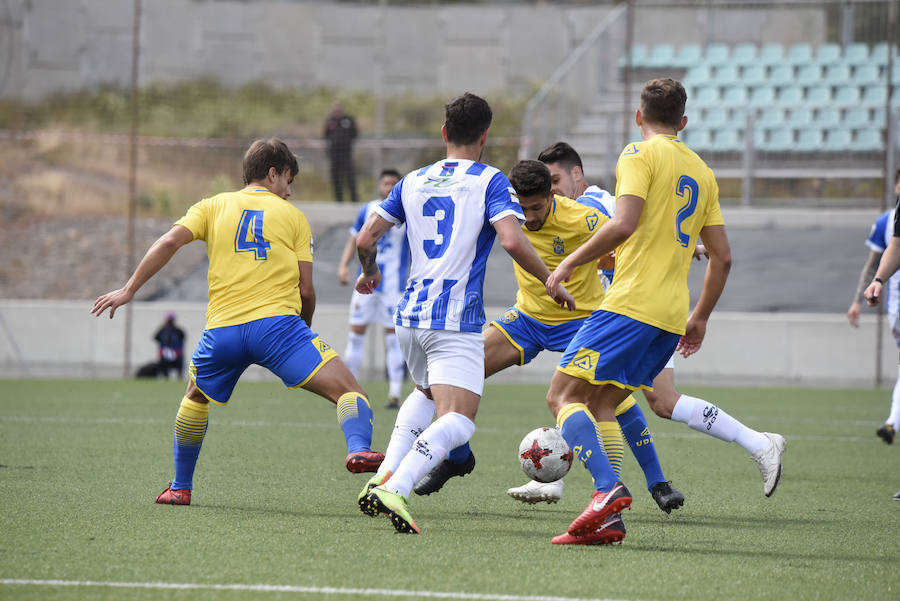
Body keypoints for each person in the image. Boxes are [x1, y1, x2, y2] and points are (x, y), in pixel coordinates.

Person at [543, 78, 782, 545]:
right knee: (602, 402)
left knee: (561, 396)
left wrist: (571, 261)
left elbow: (624, 222)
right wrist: (700, 317)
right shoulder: (703, 173)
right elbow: (723, 256)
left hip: (631, 304)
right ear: (684, 122)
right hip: (671, 316)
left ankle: (607, 491)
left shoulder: (638, 154)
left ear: (638, 116)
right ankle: (608, 520)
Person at [91, 138, 384, 506]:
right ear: (272, 173)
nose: (289, 191)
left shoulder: (211, 205)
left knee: (195, 396)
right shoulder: (293, 217)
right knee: (349, 391)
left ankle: (180, 488)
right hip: (278, 329)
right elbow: (306, 290)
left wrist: (129, 288)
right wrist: (302, 331)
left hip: (222, 332)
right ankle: (358, 449)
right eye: (288, 181)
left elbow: (169, 241)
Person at [410, 159, 685, 544]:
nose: (528, 216)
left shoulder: (582, 218)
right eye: (522, 208)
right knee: (447, 376)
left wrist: (686, 248)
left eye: (536, 208)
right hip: (526, 319)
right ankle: (458, 458)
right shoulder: (502, 214)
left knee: (612, 401)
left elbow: (625, 243)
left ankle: (652, 482)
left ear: (551, 197)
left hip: (580, 318)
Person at [353, 92, 575, 534]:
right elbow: (512, 240)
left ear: (444, 133)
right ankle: (398, 487)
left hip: (409, 316)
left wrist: (369, 272)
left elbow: (365, 240)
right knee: (457, 421)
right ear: (485, 135)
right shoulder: (490, 181)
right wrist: (552, 280)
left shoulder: (411, 180)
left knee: (424, 393)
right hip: (453, 318)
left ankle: (382, 476)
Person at [337, 169, 409, 409]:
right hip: (366, 284)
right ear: (380, 186)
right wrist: (343, 266)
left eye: (393, 184)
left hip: (393, 288)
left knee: (393, 341)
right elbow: (355, 239)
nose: (389, 188)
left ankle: (394, 394)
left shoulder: (408, 212)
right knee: (355, 336)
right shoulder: (368, 210)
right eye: (386, 183)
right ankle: (348, 392)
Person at [848, 167, 900, 445]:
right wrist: (864, 292)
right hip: (897, 306)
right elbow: (877, 262)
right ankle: (892, 422)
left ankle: (892, 422)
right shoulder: (887, 222)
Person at [323, 101, 358, 203]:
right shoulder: (330, 121)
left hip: (346, 154)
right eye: (335, 109)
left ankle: (354, 200)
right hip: (334, 155)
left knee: (349, 177)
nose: (337, 111)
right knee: (336, 178)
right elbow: (326, 135)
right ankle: (339, 200)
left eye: (339, 109)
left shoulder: (348, 120)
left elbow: (355, 134)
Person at [154, 312, 186, 379]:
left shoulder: (178, 331)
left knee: (179, 363)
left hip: (176, 353)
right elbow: (155, 337)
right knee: (164, 364)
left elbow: (183, 338)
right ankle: (166, 377)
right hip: (165, 353)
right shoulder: (162, 330)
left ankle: (179, 377)